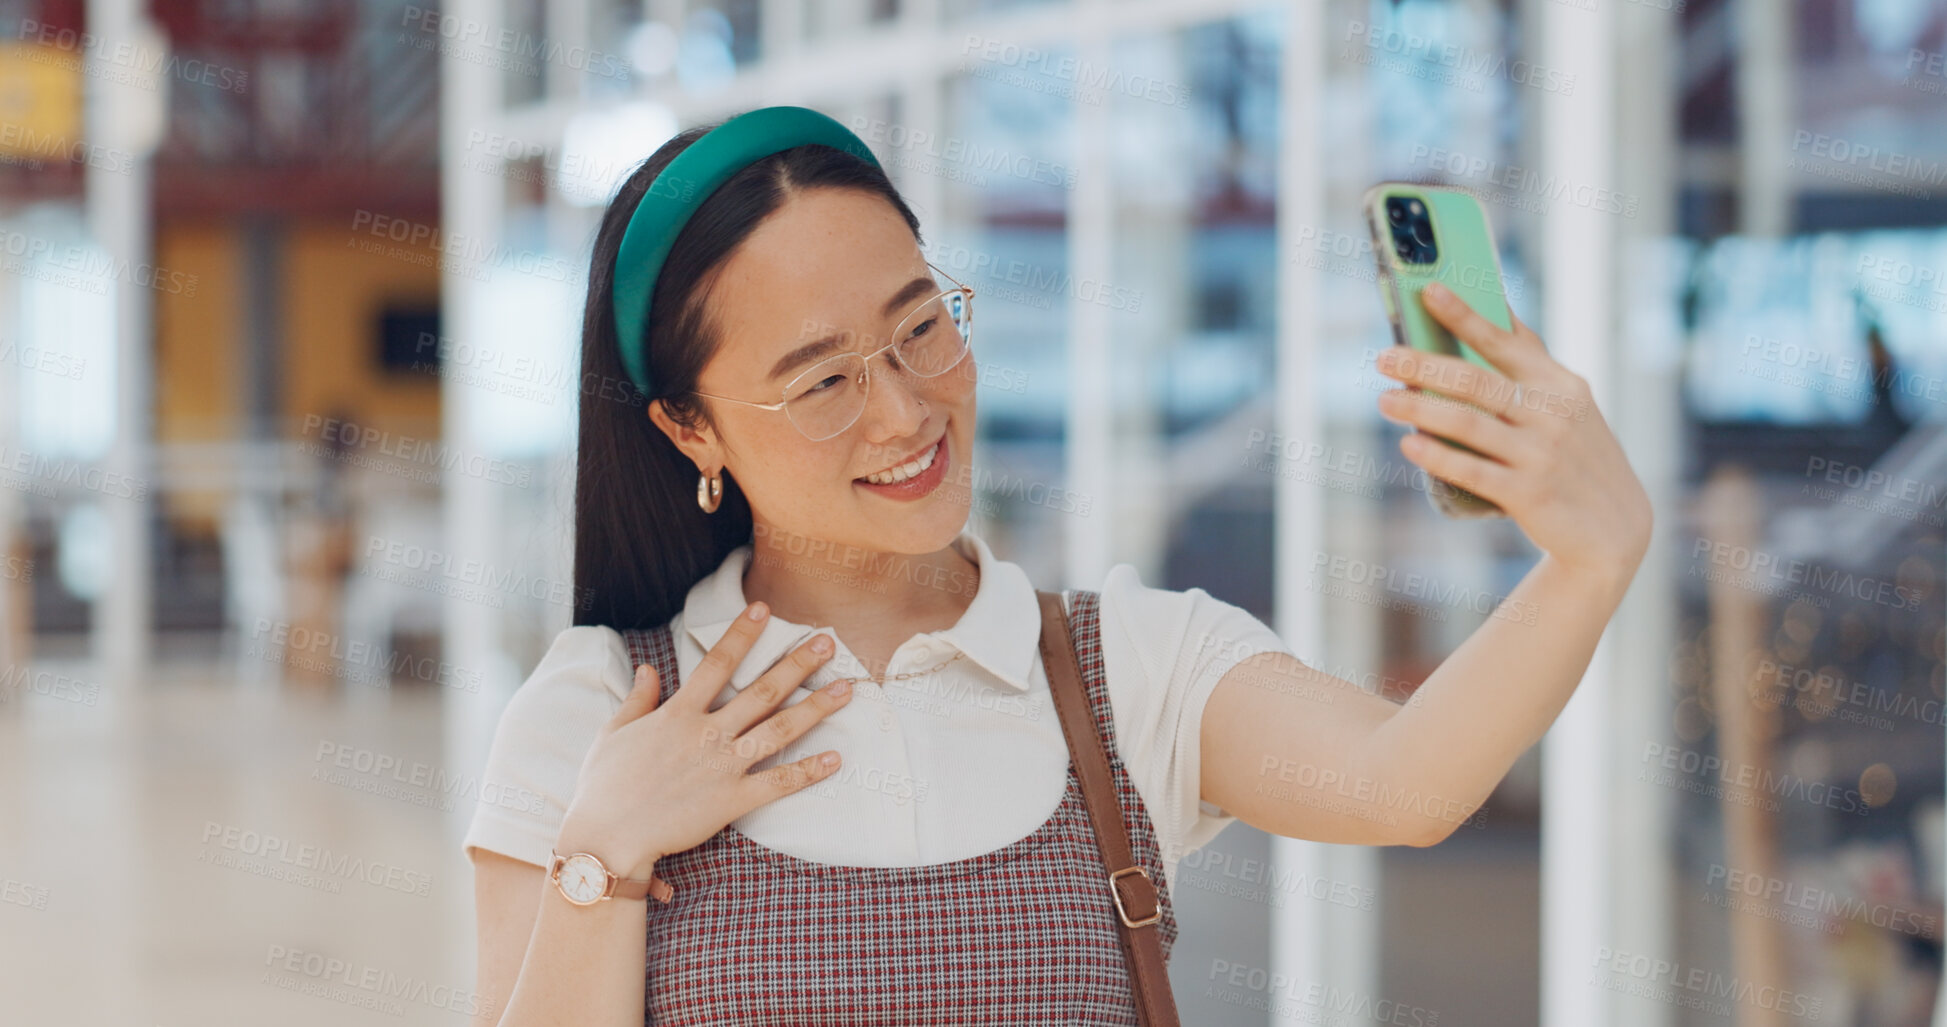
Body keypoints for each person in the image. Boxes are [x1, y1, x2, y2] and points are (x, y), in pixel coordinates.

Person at [462, 107, 1652, 1026]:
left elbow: (1404, 783)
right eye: (825, 380)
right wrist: (605, 848)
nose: (905, 412)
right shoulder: (601, 715)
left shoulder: (1123, 667)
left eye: (921, 325)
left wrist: (1592, 556)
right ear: (691, 429)